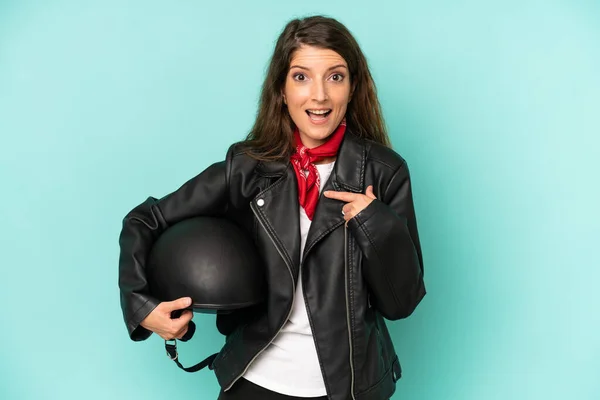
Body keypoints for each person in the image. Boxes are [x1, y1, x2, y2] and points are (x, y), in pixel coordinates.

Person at [118, 15, 426, 400]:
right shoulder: (247, 168)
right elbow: (145, 219)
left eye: (335, 76)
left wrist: (373, 221)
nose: (319, 96)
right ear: (281, 89)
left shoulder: (385, 172)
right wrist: (141, 306)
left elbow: (403, 302)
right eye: (301, 77)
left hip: (348, 389)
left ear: (352, 88)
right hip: (255, 383)